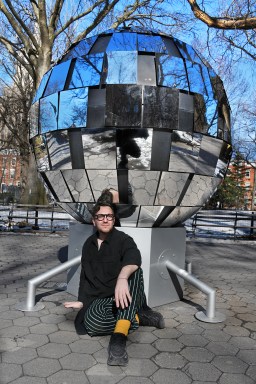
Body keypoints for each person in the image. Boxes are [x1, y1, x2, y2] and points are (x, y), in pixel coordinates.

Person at [64, 200, 164, 366]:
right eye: (100, 216)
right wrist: (82, 301)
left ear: (113, 219)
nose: (105, 219)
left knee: (134, 271)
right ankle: (137, 317)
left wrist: (122, 278)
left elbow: (134, 257)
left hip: (126, 295)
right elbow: (85, 278)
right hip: (103, 299)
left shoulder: (123, 239)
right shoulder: (88, 245)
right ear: (93, 220)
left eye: (109, 216)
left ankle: (118, 339)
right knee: (92, 324)